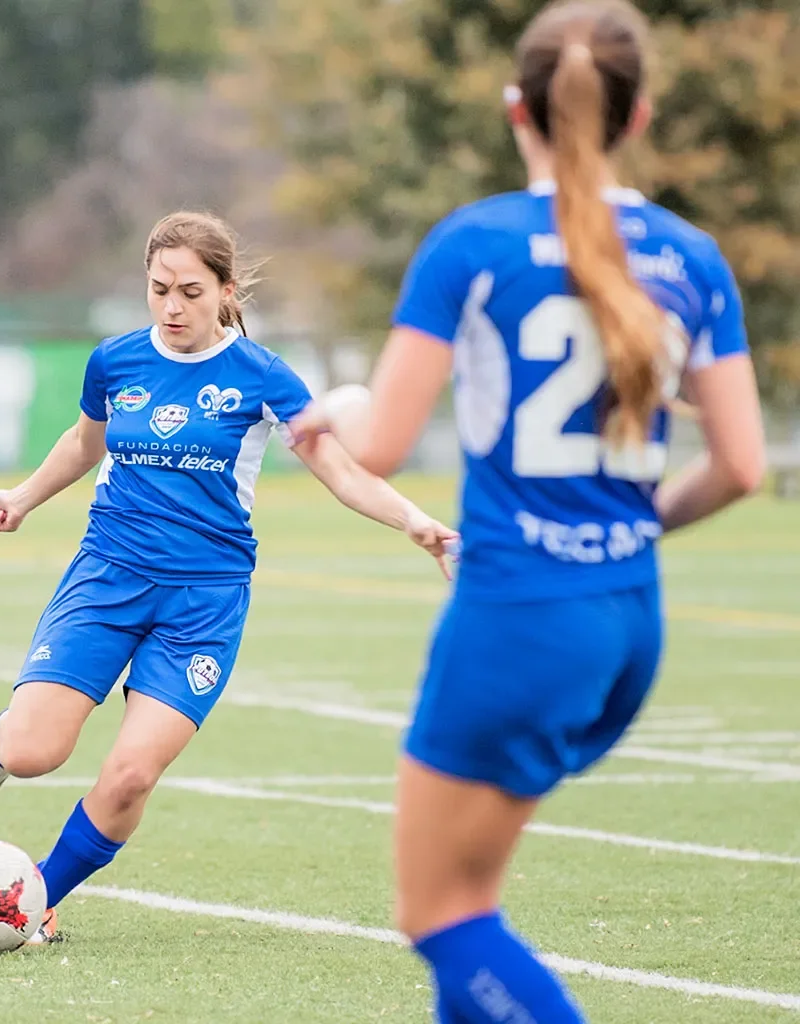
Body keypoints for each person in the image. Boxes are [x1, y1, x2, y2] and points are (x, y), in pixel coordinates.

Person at [290, 2, 766, 1020]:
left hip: (517, 618)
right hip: (628, 620)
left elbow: (379, 443)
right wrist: (634, 527)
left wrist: (336, 406)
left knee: (437, 914)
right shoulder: (691, 256)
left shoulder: (473, 243)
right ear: (638, 118)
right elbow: (740, 466)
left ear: (518, 108)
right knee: (472, 901)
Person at [0, 210, 457, 944]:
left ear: (225, 291)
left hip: (204, 603)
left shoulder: (262, 376)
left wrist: (414, 521)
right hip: (108, 577)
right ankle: (1, 745)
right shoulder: (116, 361)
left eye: (190, 292)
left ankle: (37, 898)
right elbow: (84, 443)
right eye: (159, 290)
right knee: (35, 753)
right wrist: (24, 497)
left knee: (131, 776)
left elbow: (342, 472)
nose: (172, 307)